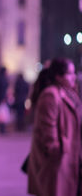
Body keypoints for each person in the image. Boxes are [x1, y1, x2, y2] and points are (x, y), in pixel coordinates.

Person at [27, 58, 82, 196]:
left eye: (74, 73)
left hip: (71, 157)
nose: (74, 77)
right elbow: (48, 130)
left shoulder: (70, 93)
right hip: (59, 161)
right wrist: (57, 150)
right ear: (58, 76)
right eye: (70, 74)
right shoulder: (51, 95)